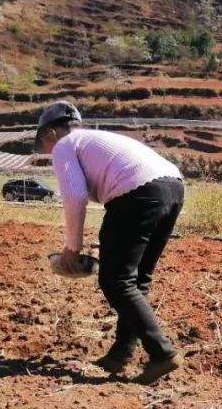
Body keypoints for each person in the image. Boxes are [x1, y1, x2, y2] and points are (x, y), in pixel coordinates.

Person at [34, 102, 185, 384]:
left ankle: (162, 353)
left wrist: (72, 247)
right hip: (172, 187)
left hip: (137, 192)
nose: (47, 148)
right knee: (137, 280)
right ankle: (120, 354)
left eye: (44, 140)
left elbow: (75, 196)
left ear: (52, 132)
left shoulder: (65, 145)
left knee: (116, 280)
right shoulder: (91, 139)